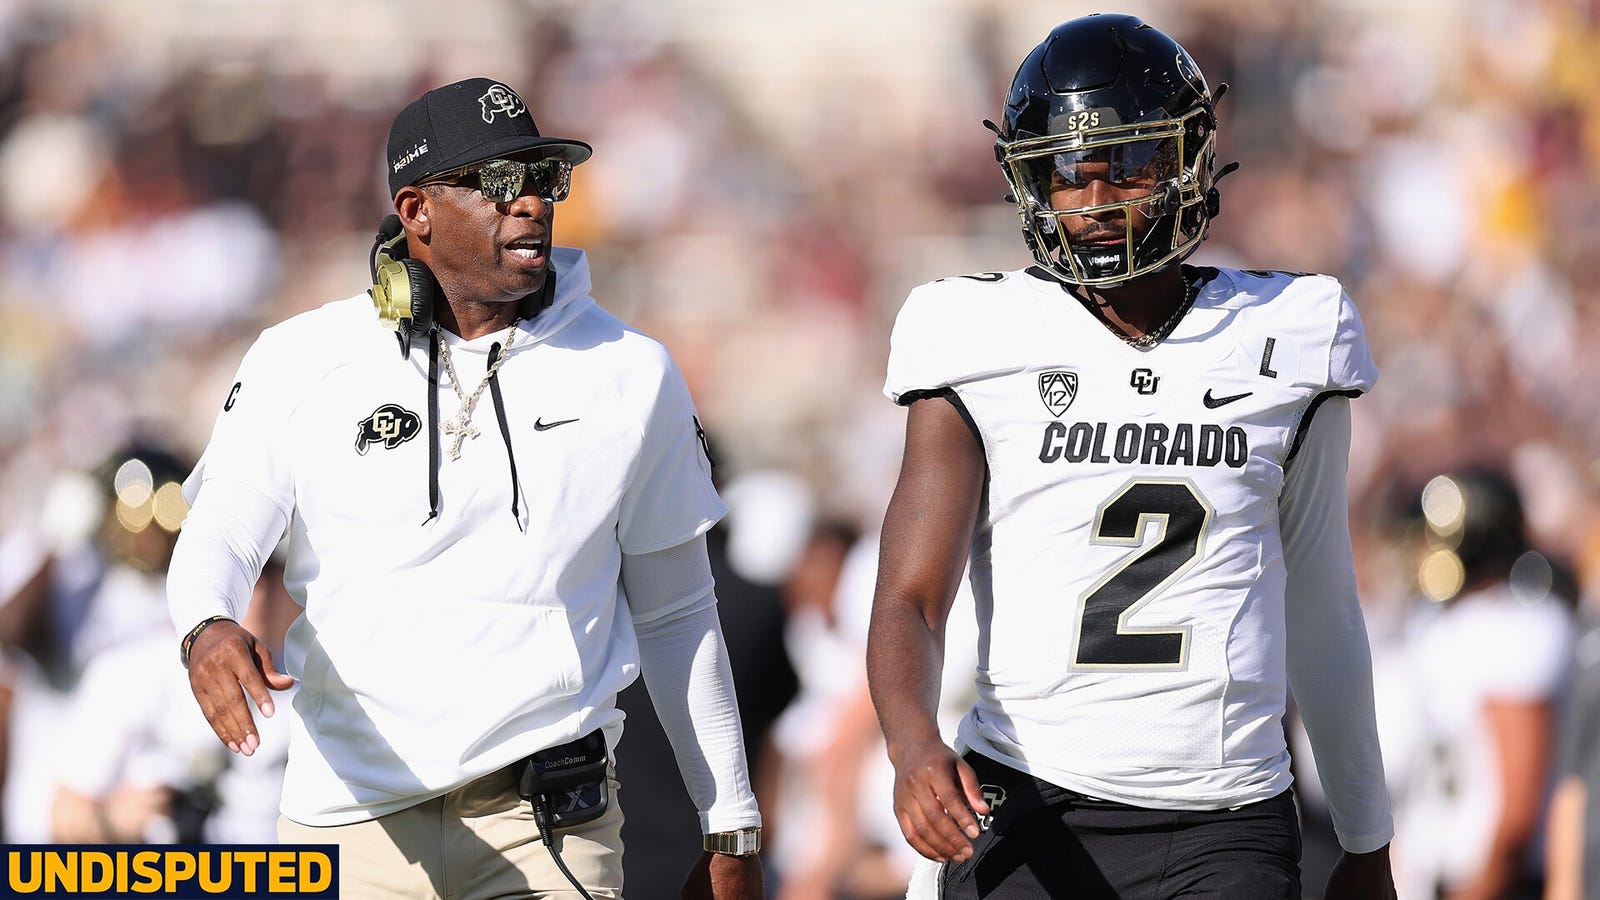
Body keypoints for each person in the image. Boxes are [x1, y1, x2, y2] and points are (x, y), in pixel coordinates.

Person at [167, 77, 763, 900]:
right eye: (495, 183)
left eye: (542, 180)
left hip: (550, 822)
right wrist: (206, 625)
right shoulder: (299, 359)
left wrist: (728, 817)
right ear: (416, 211)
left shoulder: (632, 373)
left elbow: (677, 612)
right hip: (347, 823)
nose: (531, 205)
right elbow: (223, 534)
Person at [866, 14, 1395, 900]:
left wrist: (1366, 837)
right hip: (1027, 797)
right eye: (1068, 172)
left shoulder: (1290, 333)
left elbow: (1322, 602)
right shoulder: (972, 334)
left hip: (1226, 815)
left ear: (1191, 162)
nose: (1097, 197)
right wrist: (912, 742)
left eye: (1131, 163)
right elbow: (912, 598)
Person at [1382, 471, 1571, 899]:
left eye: (1430, 535)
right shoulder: (1439, 627)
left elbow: (1516, 816)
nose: (1418, 549)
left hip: (1494, 884)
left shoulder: (1518, 627)